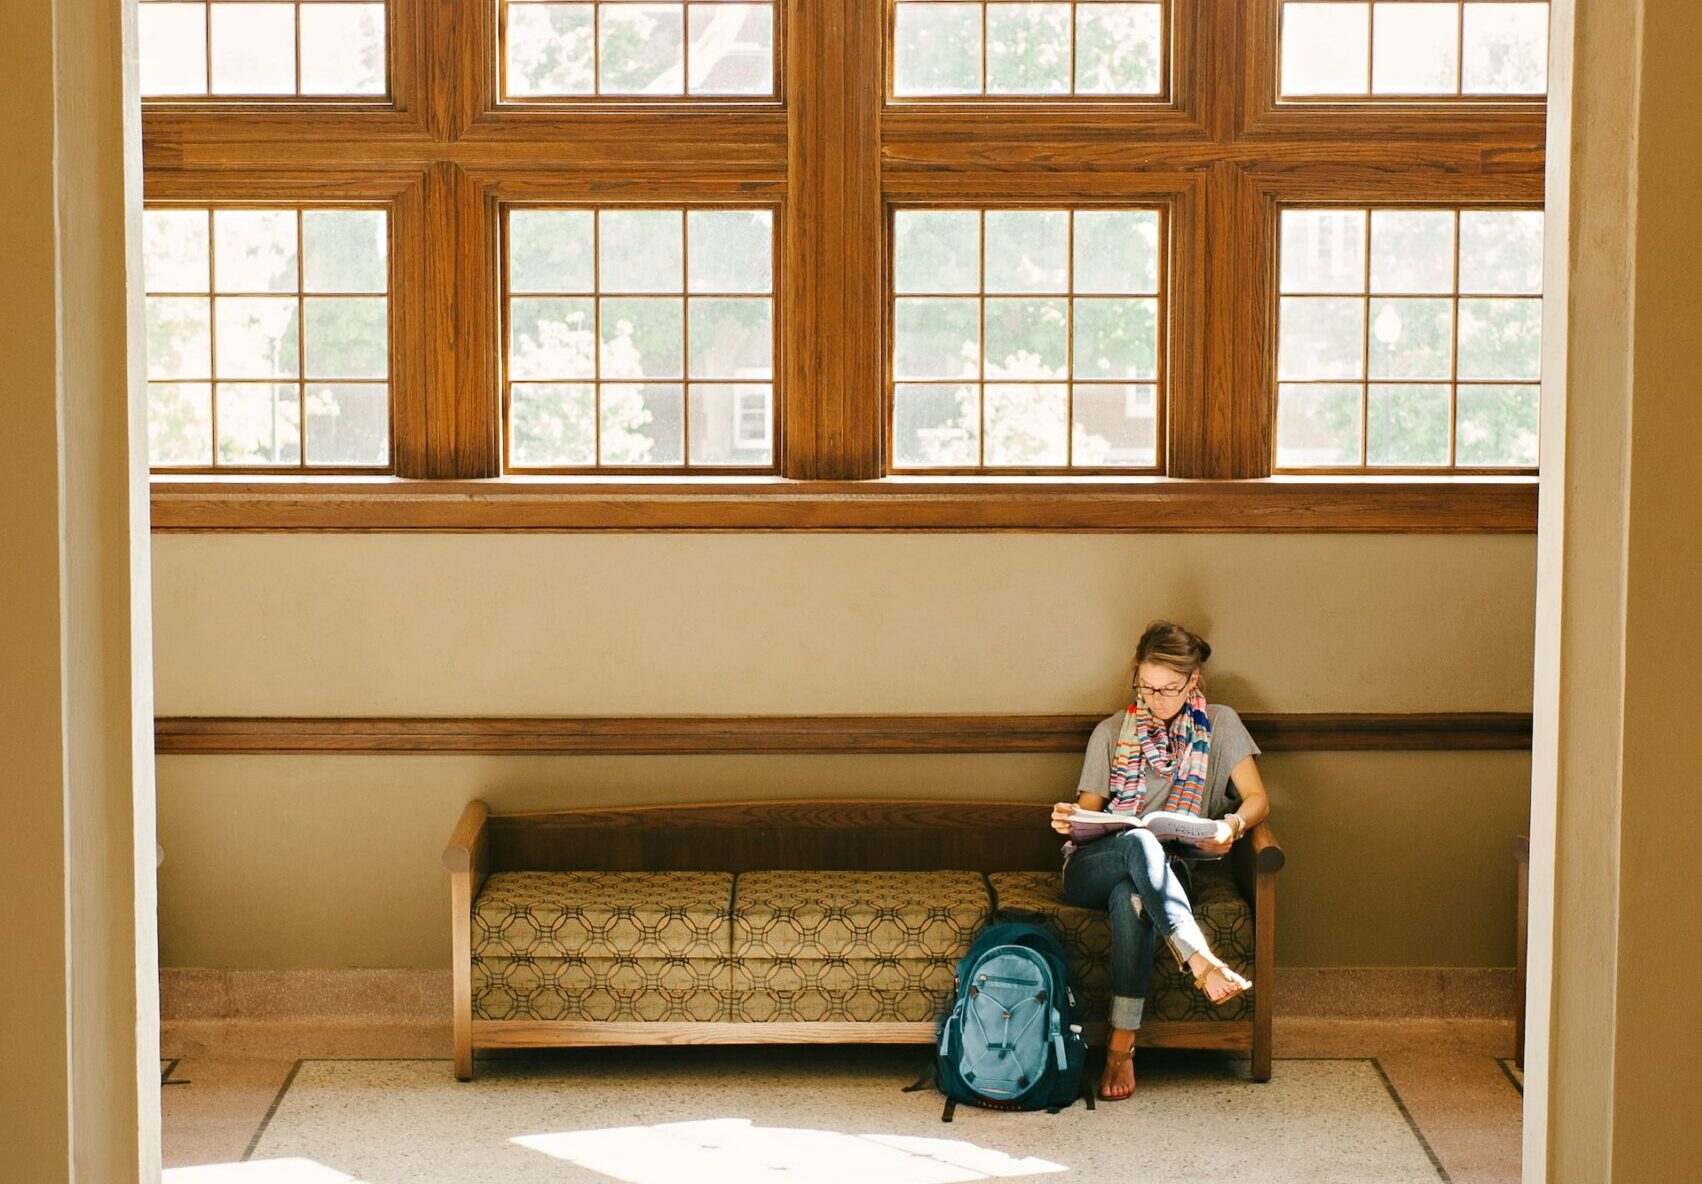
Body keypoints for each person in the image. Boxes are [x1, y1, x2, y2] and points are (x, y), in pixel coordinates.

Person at [1048, 620, 1270, 1102]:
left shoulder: (1221, 724)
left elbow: (1257, 799)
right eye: (1146, 687)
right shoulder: (1111, 731)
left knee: (1134, 895)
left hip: (1170, 873)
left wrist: (1229, 827)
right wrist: (1069, 818)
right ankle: (1198, 955)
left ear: (1194, 681)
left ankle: (1121, 1046)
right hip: (1091, 866)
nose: (1156, 699)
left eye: (1169, 689)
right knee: (1139, 840)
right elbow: (1088, 816)